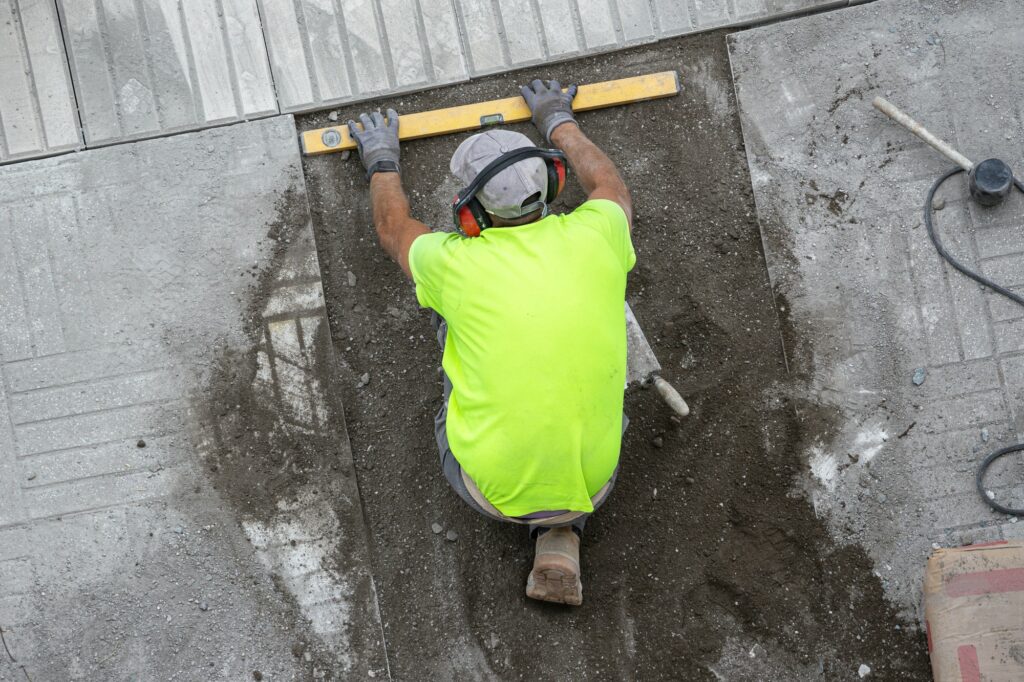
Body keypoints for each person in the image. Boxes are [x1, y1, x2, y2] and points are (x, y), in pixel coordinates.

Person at [347, 80, 635, 606]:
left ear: (471, 216)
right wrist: (556, 119)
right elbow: (611, 186)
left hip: (487, 490)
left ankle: (543, 522)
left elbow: (393, 229)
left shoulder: (453, 263)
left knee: (446, 315)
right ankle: (560, 534)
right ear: (552, 179)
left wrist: (381, 158)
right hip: (596, 482)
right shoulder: (602, 231)